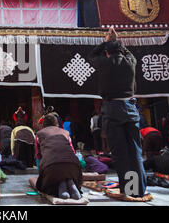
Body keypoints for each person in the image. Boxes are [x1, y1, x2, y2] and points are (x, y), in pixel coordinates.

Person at [88, 27, 147, 198]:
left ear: (107, 52)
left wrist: (107, 41)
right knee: (135, 151)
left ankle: (129, 189)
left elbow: (91, 55)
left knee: (120, 152)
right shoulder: (131, 61)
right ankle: (138, 190)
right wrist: (115, 41)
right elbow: (126, 52)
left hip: (113, 109)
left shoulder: (104, 62)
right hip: (130, 108)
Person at [35, 114, 82, 200]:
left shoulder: (39, 134)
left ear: (43, 125)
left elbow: (38, 155)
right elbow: (73, 151)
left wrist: (41, 174)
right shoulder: (66, 133)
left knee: (48, 182)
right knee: (65, 171)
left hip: (52, 167)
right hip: (74, 166)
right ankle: (69, 181)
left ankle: (61, 184)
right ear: (57, 123)